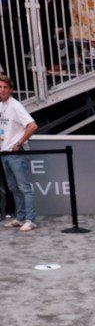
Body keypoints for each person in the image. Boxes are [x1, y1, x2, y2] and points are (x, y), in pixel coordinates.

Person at [0, 73, 38, 231]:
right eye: (0, 87)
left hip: (16, 153)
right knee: (13, 187)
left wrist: (18, 143)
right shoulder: (1, 106)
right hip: (5, 153)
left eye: (5, 87)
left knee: (24, 187)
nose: (2, 90)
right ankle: (21, 218)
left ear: (11, 90)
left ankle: (31, 220)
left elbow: (32, 125)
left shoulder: (15, 105)